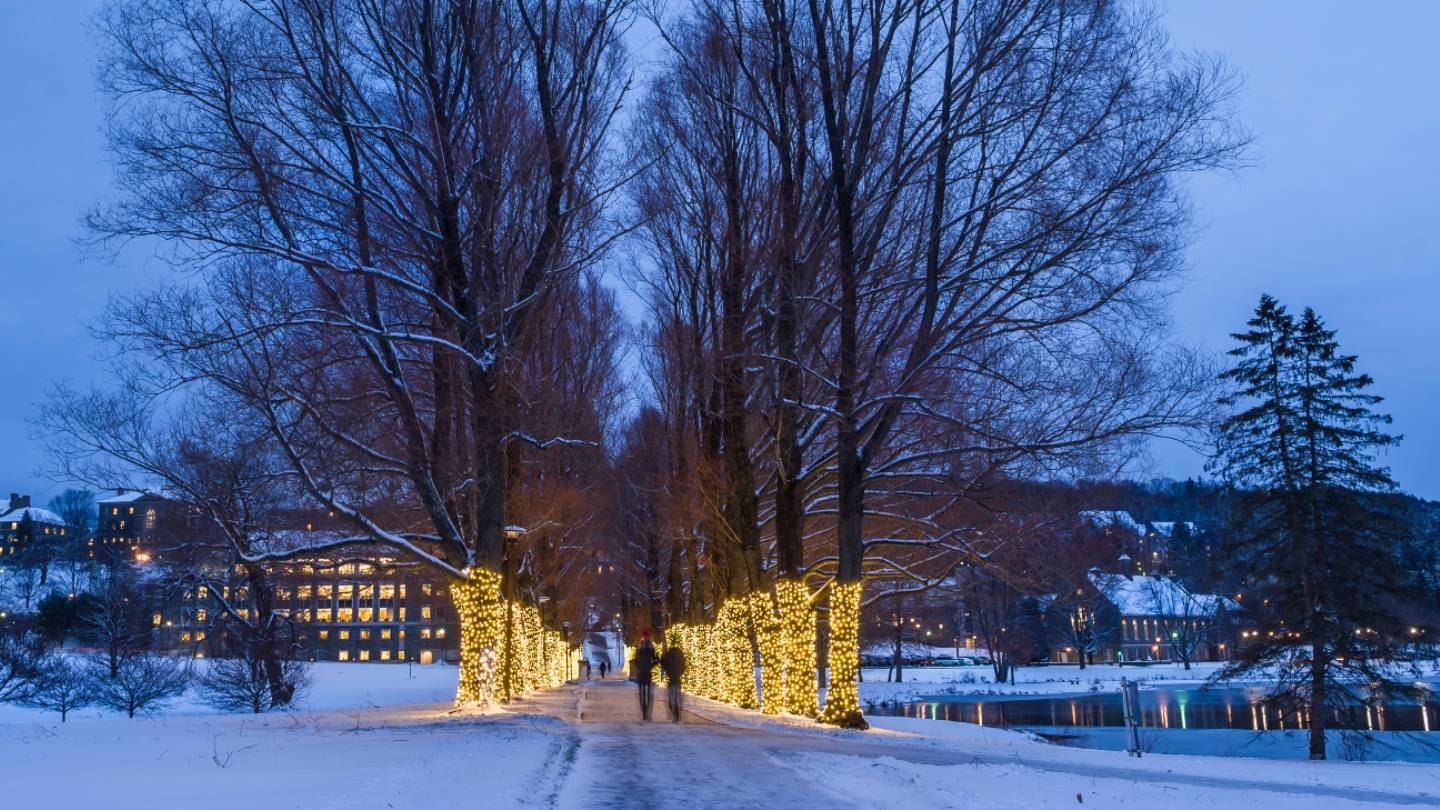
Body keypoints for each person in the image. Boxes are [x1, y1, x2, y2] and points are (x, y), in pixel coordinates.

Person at [631, 630, 659, 721]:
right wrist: (652, 665)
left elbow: (635, 659)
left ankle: (644, 712)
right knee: (646, 694)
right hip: (647, 672)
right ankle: (645, 711)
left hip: (641, 672)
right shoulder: (651, 647)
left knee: (642, 694)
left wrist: (637, 665)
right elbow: (654, 659)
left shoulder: (639, 646)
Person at [660, 642, 687, 722]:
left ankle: (675, 715)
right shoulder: (679, 654)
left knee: (672, 698)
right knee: (677, 697)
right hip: (677, 679)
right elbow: (683, 665)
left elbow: (664, 664)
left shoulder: (668, 654)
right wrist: (680, 673)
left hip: (672, 679)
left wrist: (662, 658)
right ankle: (677, 715)